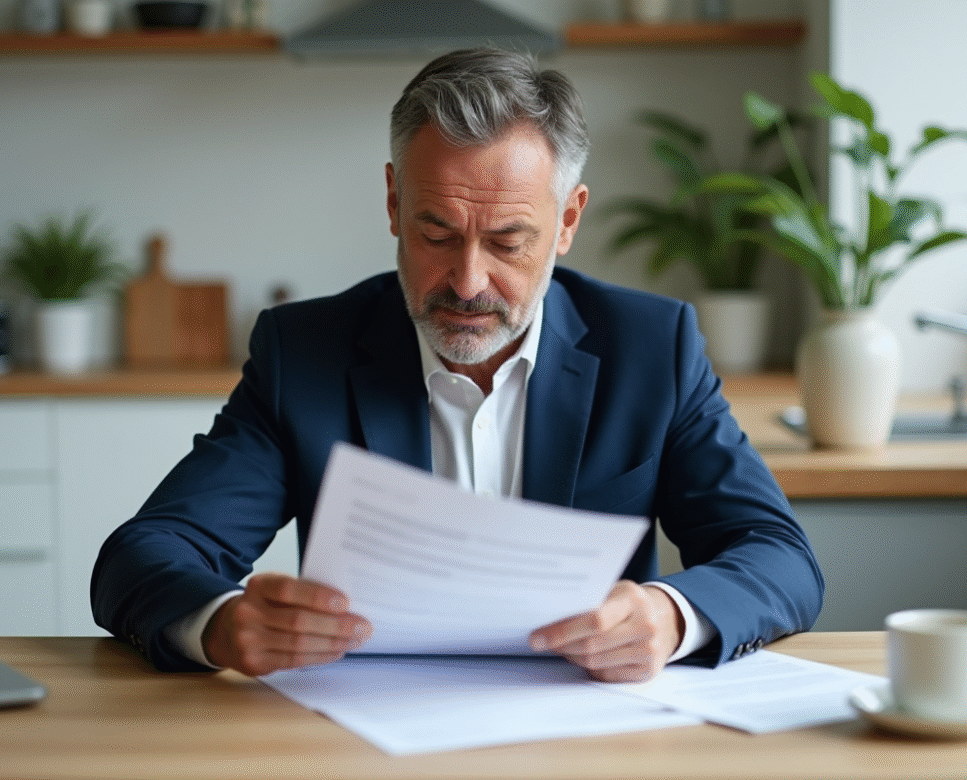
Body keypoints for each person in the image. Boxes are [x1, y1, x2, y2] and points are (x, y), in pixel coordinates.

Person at [91, 48, 824, 684]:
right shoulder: (304, 353)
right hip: (364, 739)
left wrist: (670, 615)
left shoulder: (651, 349)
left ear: (567, 221)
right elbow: (142, 555)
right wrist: (220, 623)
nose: (468, 283)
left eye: (507, 241)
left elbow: (779, 557)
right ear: (393, 203)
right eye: (437, 234)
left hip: (588, 737)